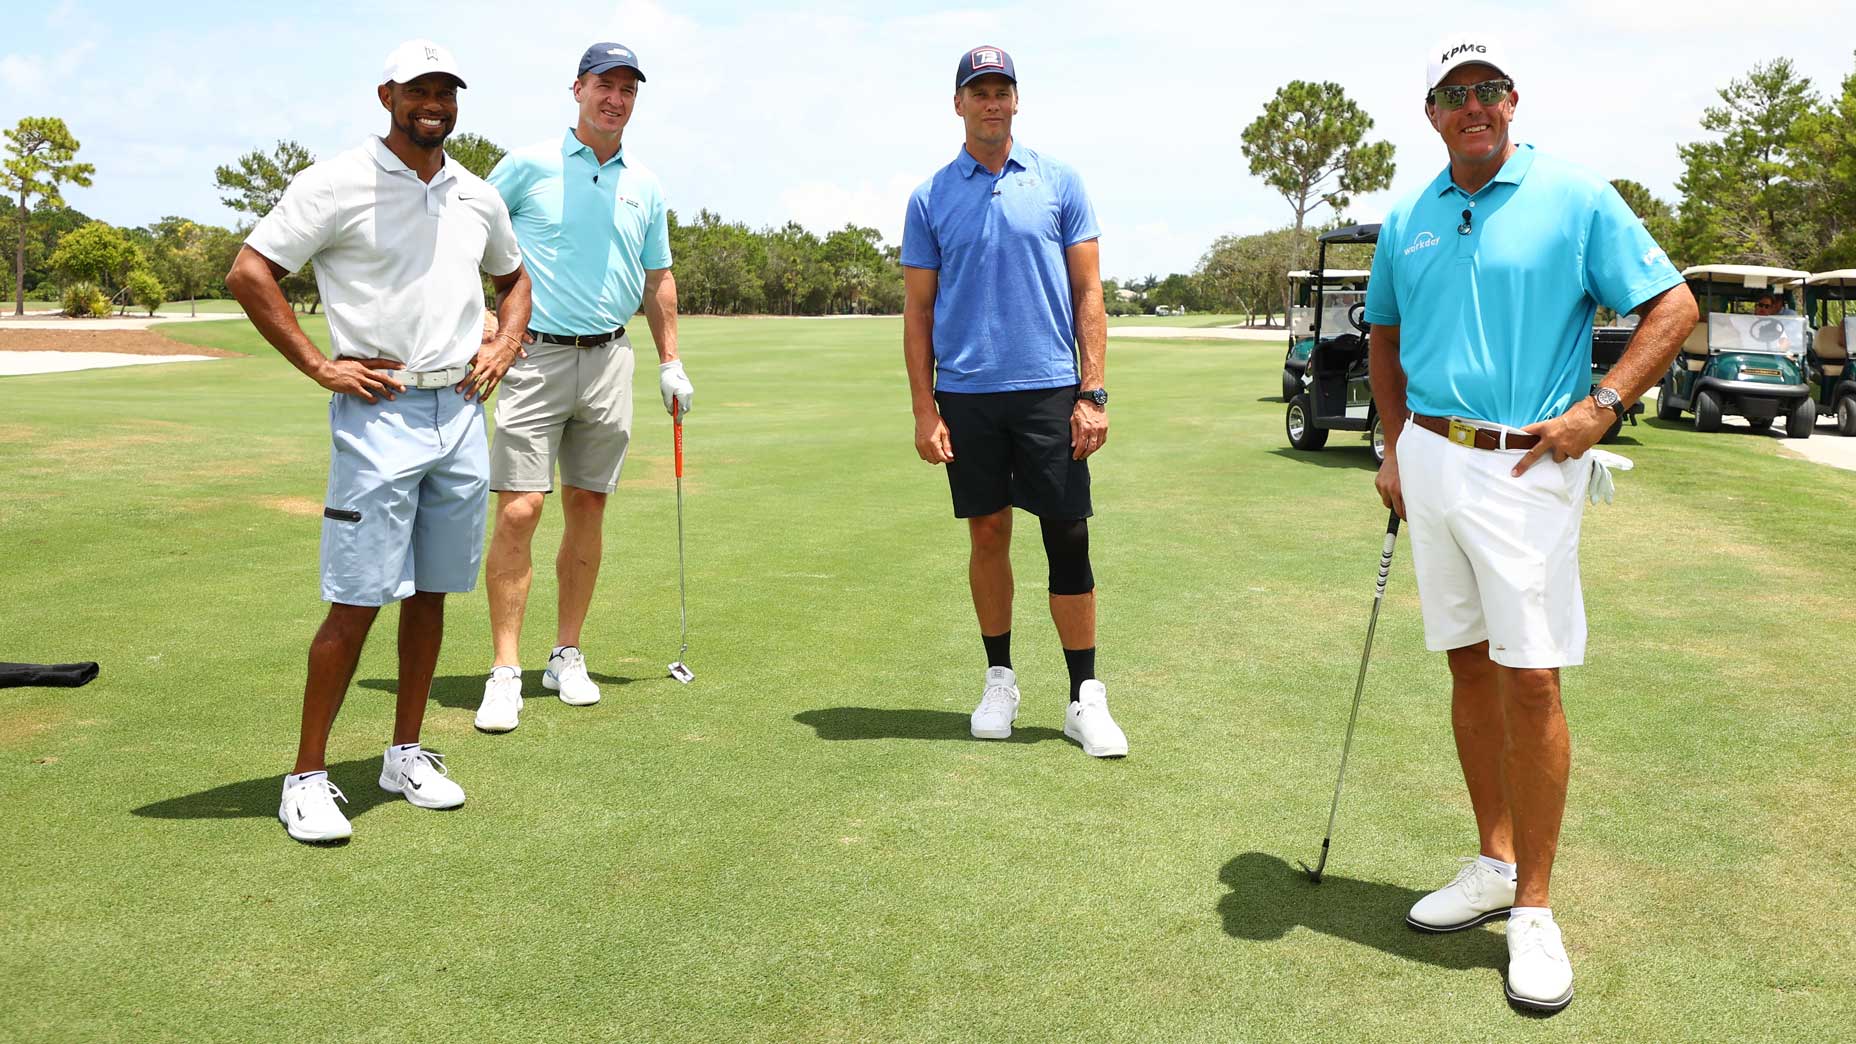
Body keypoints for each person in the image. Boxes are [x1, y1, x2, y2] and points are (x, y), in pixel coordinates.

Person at [1364, 35, 1695, 1012]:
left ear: (1512, 102)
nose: (1473, 105)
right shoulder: (1407, 216)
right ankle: (1492, 863)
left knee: (1529, 678)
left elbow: (1669, 307)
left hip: (1525, 463)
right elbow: (1381, 336)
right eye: (1453, 93)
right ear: (1430, 112)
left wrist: (1602, 405)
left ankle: (1536, 911)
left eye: (1488, 90)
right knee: (1467, 663)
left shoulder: (1574, 196)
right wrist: (1389, 450)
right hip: (1429, 454)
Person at [226, 39, 532, 844]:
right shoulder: (336, 181)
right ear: (387, 94)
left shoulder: (474, 192)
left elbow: (514, 277)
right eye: (419, 89)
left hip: (461, 411)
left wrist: (503, 342)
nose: (434, 103)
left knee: (432, 593)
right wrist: (321, 366)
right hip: (381, 412)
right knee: (358, 599)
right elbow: (250, 273)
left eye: (446, 91)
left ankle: (405, 752)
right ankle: (306, 776)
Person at [901, 46, 1126, 758]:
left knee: (1067, 533)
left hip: (1050, 387)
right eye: (979, 91)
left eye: (1003, 90)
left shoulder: (1060, 182)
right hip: (967, 393)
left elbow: (1090, 293)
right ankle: (999, 678)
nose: (992, 102)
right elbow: (916, 312)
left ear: (1017, 101)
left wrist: (1092, 390)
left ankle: (1084, 697)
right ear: (959, 103)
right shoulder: (931, 196)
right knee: (988, 533)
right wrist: (923, 408)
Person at [473, 42, 691, 734]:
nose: (616, 98)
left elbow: (657, 277)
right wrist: (478, 313)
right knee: (519, 511)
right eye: (605, 84)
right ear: (577, 89)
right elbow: (463, 229)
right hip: (533, 357)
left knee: (588, 507)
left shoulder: (645, 184)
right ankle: (504, 668)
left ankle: (566, 652)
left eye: (628, 89)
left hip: (608, 361)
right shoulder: (528, 165)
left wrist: (669, 360)